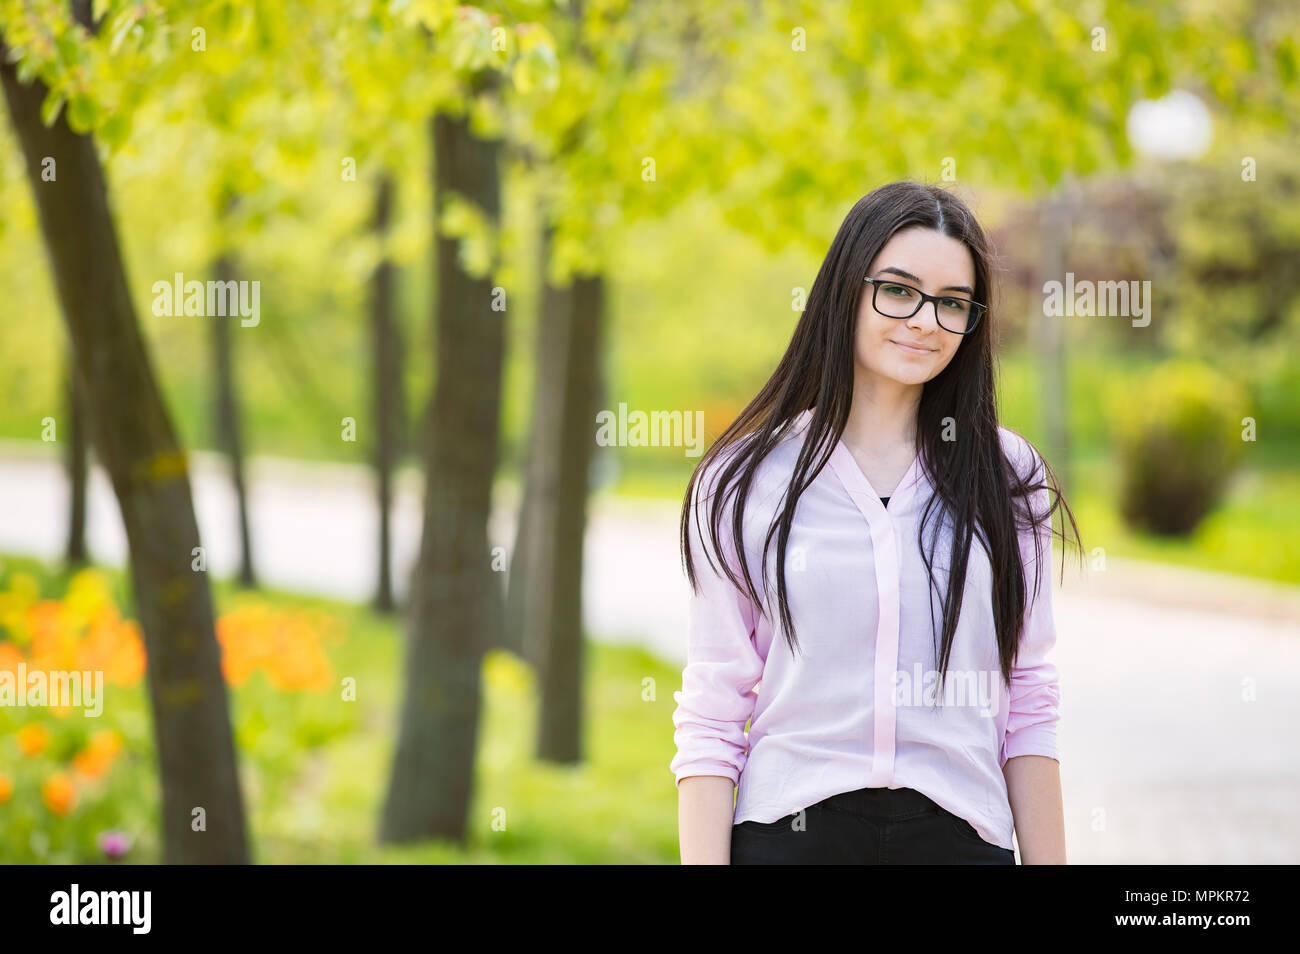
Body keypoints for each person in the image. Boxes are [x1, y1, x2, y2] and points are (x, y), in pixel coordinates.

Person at [671, 180, 1082, 865]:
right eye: (898, 290)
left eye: (953, 303)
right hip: (791, 839)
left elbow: (1031, 700)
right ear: (846, 292)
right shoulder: (745, 481)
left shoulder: (1009, 478)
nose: (926, 320)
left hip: (959, 839)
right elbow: (713, 710)